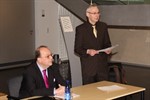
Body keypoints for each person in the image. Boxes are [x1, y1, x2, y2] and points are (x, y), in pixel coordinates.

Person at [74, 4, 112, 85]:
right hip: (89, 67)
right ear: (87, 14)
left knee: (104, 90)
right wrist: (88, 51)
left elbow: (107, 43)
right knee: (89, 92)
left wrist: (108, 49)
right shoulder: (81, 29)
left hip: (102, 66)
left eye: (98, 13)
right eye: (94, 13)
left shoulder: (103, 26)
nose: (97, 15)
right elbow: (77, 48)